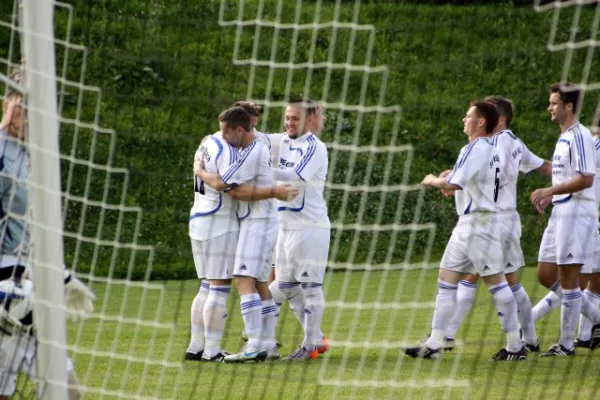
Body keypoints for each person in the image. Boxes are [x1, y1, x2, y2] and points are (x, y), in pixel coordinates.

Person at [404, 101, 527, 361]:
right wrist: (452, 181)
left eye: (469, 115)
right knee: (446, 279)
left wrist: (432, 180)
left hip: (480, 225)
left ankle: (517, 345)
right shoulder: (478, 148)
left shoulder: (480, 148)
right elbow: (463, 180)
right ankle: (435, 342)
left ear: (481, 122)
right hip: (467, 225)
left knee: (497, 283)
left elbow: (454, 183)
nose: (464, 119)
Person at [0, 87, 95, 399]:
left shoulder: (35, 157)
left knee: (69, 393)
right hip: (7, 286)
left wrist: (59, 275)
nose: (26, 112)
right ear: (5, 103)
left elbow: (35, 232)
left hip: (23, 289)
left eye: (34, 106)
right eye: (20, 104)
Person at [442, 96, 551, 352]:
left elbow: (488, 176)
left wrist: (453, 178)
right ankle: (530, 339)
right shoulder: (514, 142)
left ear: (499, 119)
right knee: (501, 279)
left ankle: (447, 335)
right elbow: (542, 166)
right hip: (506, 218)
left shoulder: (495, 143)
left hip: (493, 218)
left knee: (477, 278)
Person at [187, 107, 297, 362]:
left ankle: (200, 346)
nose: (225, 133)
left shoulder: (208, 142)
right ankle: (213, 351)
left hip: (202, 218)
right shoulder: (227, 147)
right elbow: (229, 187)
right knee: (221, 287)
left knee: (216, 285)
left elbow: (228, 183)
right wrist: (274, 191)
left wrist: (200, 171)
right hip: (219, 222)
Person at [531, 83, 600, 356]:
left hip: (576, 211)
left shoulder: (580, 136)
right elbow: (567, 176)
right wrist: (551, 195)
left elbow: (586, 179)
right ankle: (596, 317)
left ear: (568, 106)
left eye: (554, 103)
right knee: (545, 274)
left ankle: (567, 344)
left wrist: (550, 190)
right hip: (561, 209)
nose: (550, 107)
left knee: (570, 277)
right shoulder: (564, 137)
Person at [268, 97, 331, 360]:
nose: (290, 123)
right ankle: (312, 339)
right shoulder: (280, 141)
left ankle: (309, 346)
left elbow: (296, 176)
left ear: (309, 120)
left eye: (295, 118)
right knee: (283, 286)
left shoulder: (315, 147)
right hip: (284, 228)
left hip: (310, 228)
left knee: (310, 287)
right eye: (287, 117)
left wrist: (262, 171)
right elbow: (252, 136)